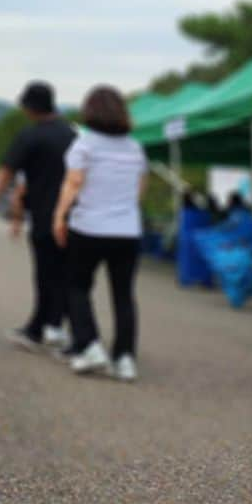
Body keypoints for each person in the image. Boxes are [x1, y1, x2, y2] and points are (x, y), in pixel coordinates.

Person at [52, 85, 147, 381]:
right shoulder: (135, 148)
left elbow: (73, 183)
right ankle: (125, 358)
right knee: (123, 295)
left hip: (89, 227)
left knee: (77, 286)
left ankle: (89, 345)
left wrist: (59, 216)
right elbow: (140, 189)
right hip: (127, 230)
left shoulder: (84, 145)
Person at [0, 82, 75, 350]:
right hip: (74, 214)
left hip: (45, 213)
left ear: (29, 107)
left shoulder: (30, 136)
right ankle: (57, 325)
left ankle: (39, 329)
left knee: (45, 273)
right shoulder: (73, 133)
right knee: (66, 273)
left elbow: (7, 172)